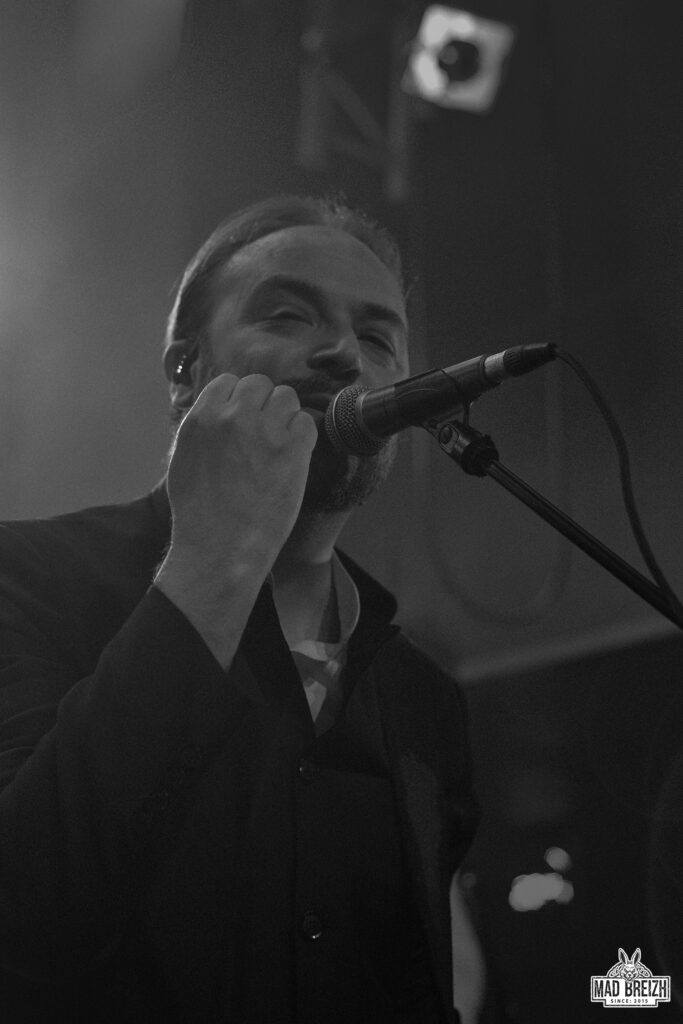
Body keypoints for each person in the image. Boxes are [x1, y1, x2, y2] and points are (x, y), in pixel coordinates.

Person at [0, 195, 480, 1023]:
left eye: (377, 338)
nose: (342, 353)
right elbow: (27, 915)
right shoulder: (30, 580)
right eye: (288, 315)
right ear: (185, 371)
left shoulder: (422, 699)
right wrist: (215, 558)